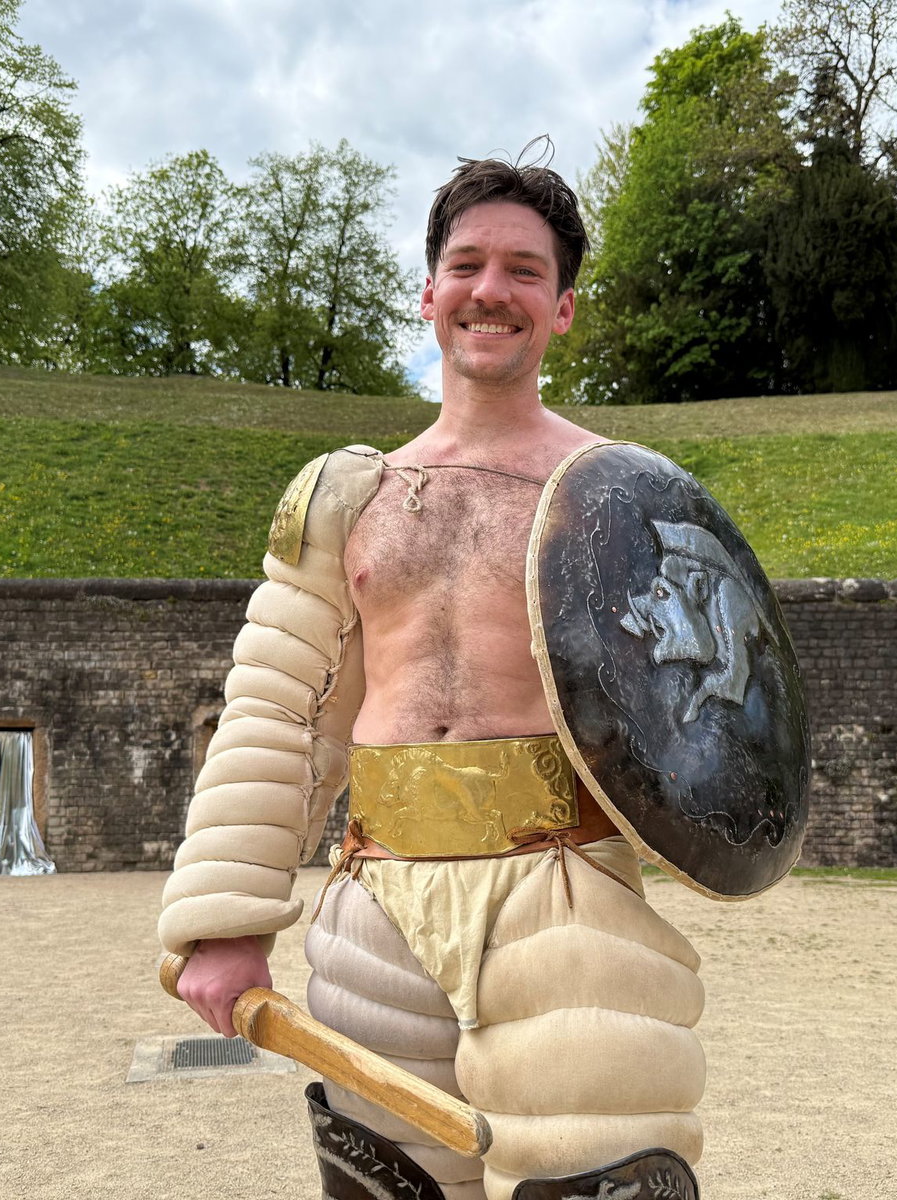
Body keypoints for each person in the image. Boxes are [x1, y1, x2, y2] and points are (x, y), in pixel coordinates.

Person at [157, 150, 792, 1200]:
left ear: (562, 308)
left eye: (523, 271)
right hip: (376, 910)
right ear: (429, 292)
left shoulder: (628, 507)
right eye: (466, 265)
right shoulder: (339, 497)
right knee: (385, 1185)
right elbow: (280, 709)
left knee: (596, 1176)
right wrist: (223, 923)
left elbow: (711, 702)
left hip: (564, 901)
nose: (489, 290)